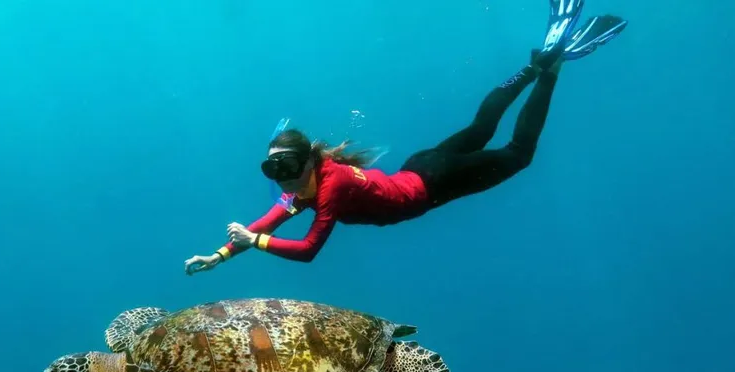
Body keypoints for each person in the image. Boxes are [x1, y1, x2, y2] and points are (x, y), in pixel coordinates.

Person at [185, 1, 627, 274]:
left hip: (433, 181)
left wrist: (253, 243)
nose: (278, 179)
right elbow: (267, 221)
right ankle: (534, 65)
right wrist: (220, 255)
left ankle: (549, 69)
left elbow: (306, 251)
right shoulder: (305, 187)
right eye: (271, 169)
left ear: (305, 162)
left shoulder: (331, 187)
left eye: (283, 168)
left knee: (518, 152)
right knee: (480, 129)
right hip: (420, 169)